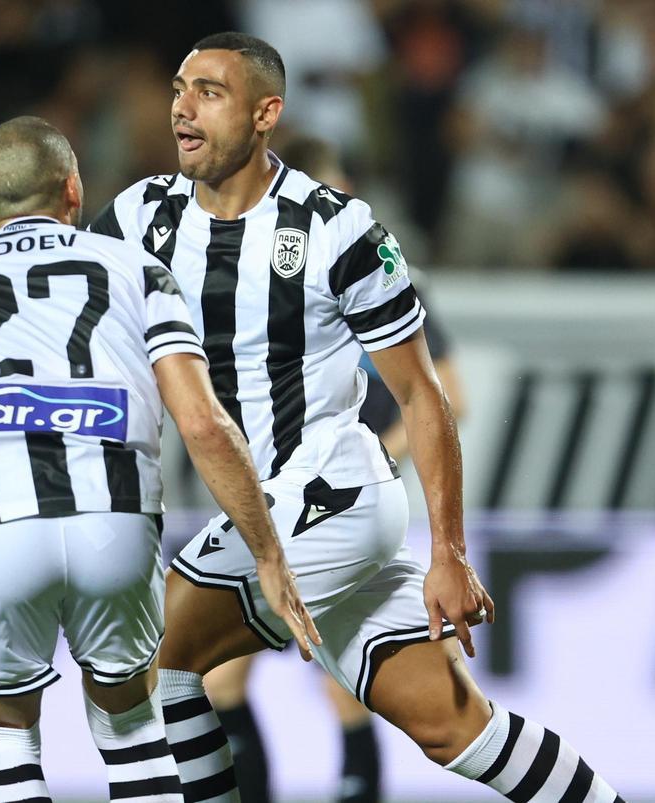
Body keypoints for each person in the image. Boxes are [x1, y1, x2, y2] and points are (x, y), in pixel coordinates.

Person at [0, 34, 624, 803]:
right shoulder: (143, 214)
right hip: (278, 512)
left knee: (153, 661)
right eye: (179, 88)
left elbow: (426, 396)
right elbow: (55, 286)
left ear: (267, 113)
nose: (182, 108)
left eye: (209, 92)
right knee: (456, 727)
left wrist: (450, 550)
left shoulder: (337, 228)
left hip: (327, 494)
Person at [0, 115, 319, 802]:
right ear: (75, 191)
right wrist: (266, 550)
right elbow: (203, 422)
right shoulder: (139, 271)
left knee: (6, 742)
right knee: (133, 732)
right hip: (112, 524)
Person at [199, 134, 469, 803]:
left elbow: (448, 396)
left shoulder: (385, 273)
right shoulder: (256, 285)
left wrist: (374, 455)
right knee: (223, 677)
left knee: (331, 676)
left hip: (340, 501)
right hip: (270, 499)